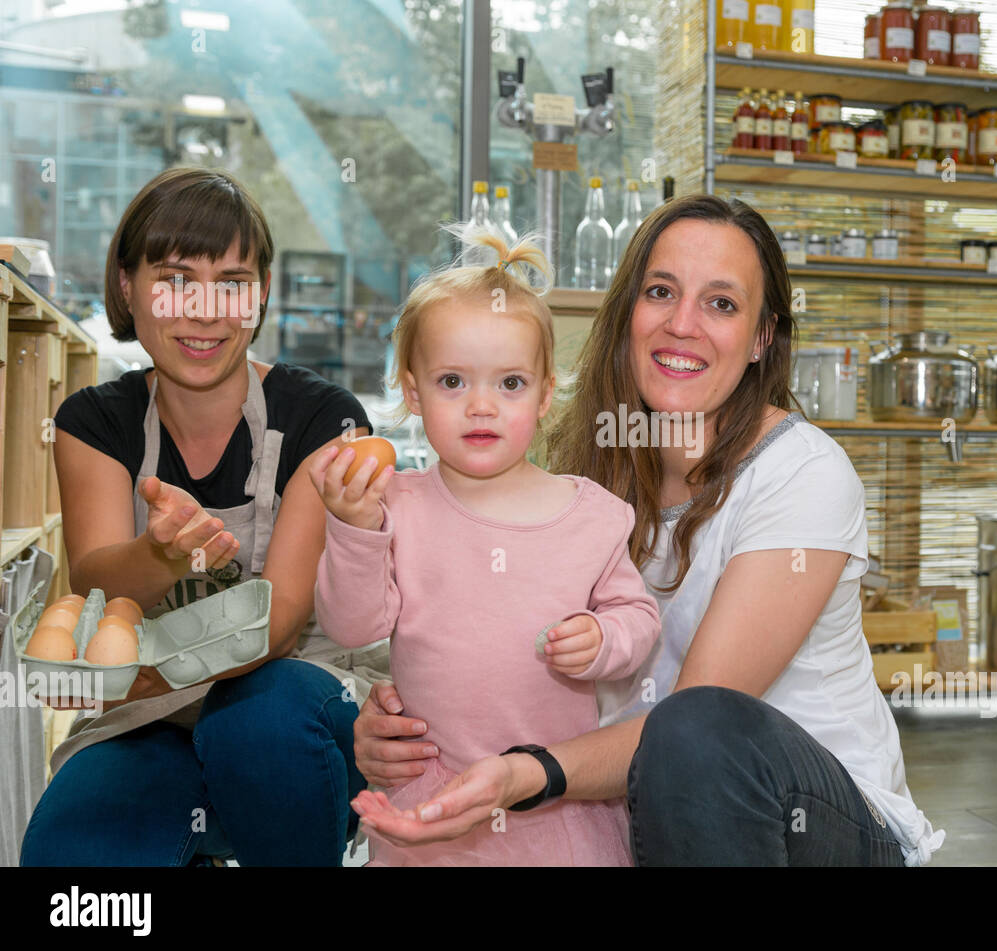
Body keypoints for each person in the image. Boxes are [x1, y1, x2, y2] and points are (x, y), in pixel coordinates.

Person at [349, 194, 944, 866]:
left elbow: (695, 725)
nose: (682, 324)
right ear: (629, 310)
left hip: (825, 833)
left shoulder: (803, 475)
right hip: (649, 824)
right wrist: (412, 726)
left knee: (695, 729)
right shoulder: (584, 476)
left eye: (721, 303)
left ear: (761, 338)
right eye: (661, 292)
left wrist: (524, 773)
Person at [19, 168, 390, 866]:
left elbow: (277, 628)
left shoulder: (322, 419)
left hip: (300, 713)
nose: (205, 309)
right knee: (75, 859)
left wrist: (135, 676)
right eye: (174, 278)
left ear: (262, 294)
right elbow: (97, 579)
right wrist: (158, 558)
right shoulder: (95, 422)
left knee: (258, 719)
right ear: (126, 286)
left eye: (232, 280)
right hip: (148, 718)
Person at [312, 226, 659, 865]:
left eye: (509, 384)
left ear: (546, 395)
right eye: (451, 382)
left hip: (553, 801)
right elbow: (352, 624)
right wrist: (353, 527)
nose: (480, 407)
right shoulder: (396, 504)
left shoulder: (592, 515)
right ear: (412, 392)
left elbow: (640, 619)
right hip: (432, 792)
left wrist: (604, 640)